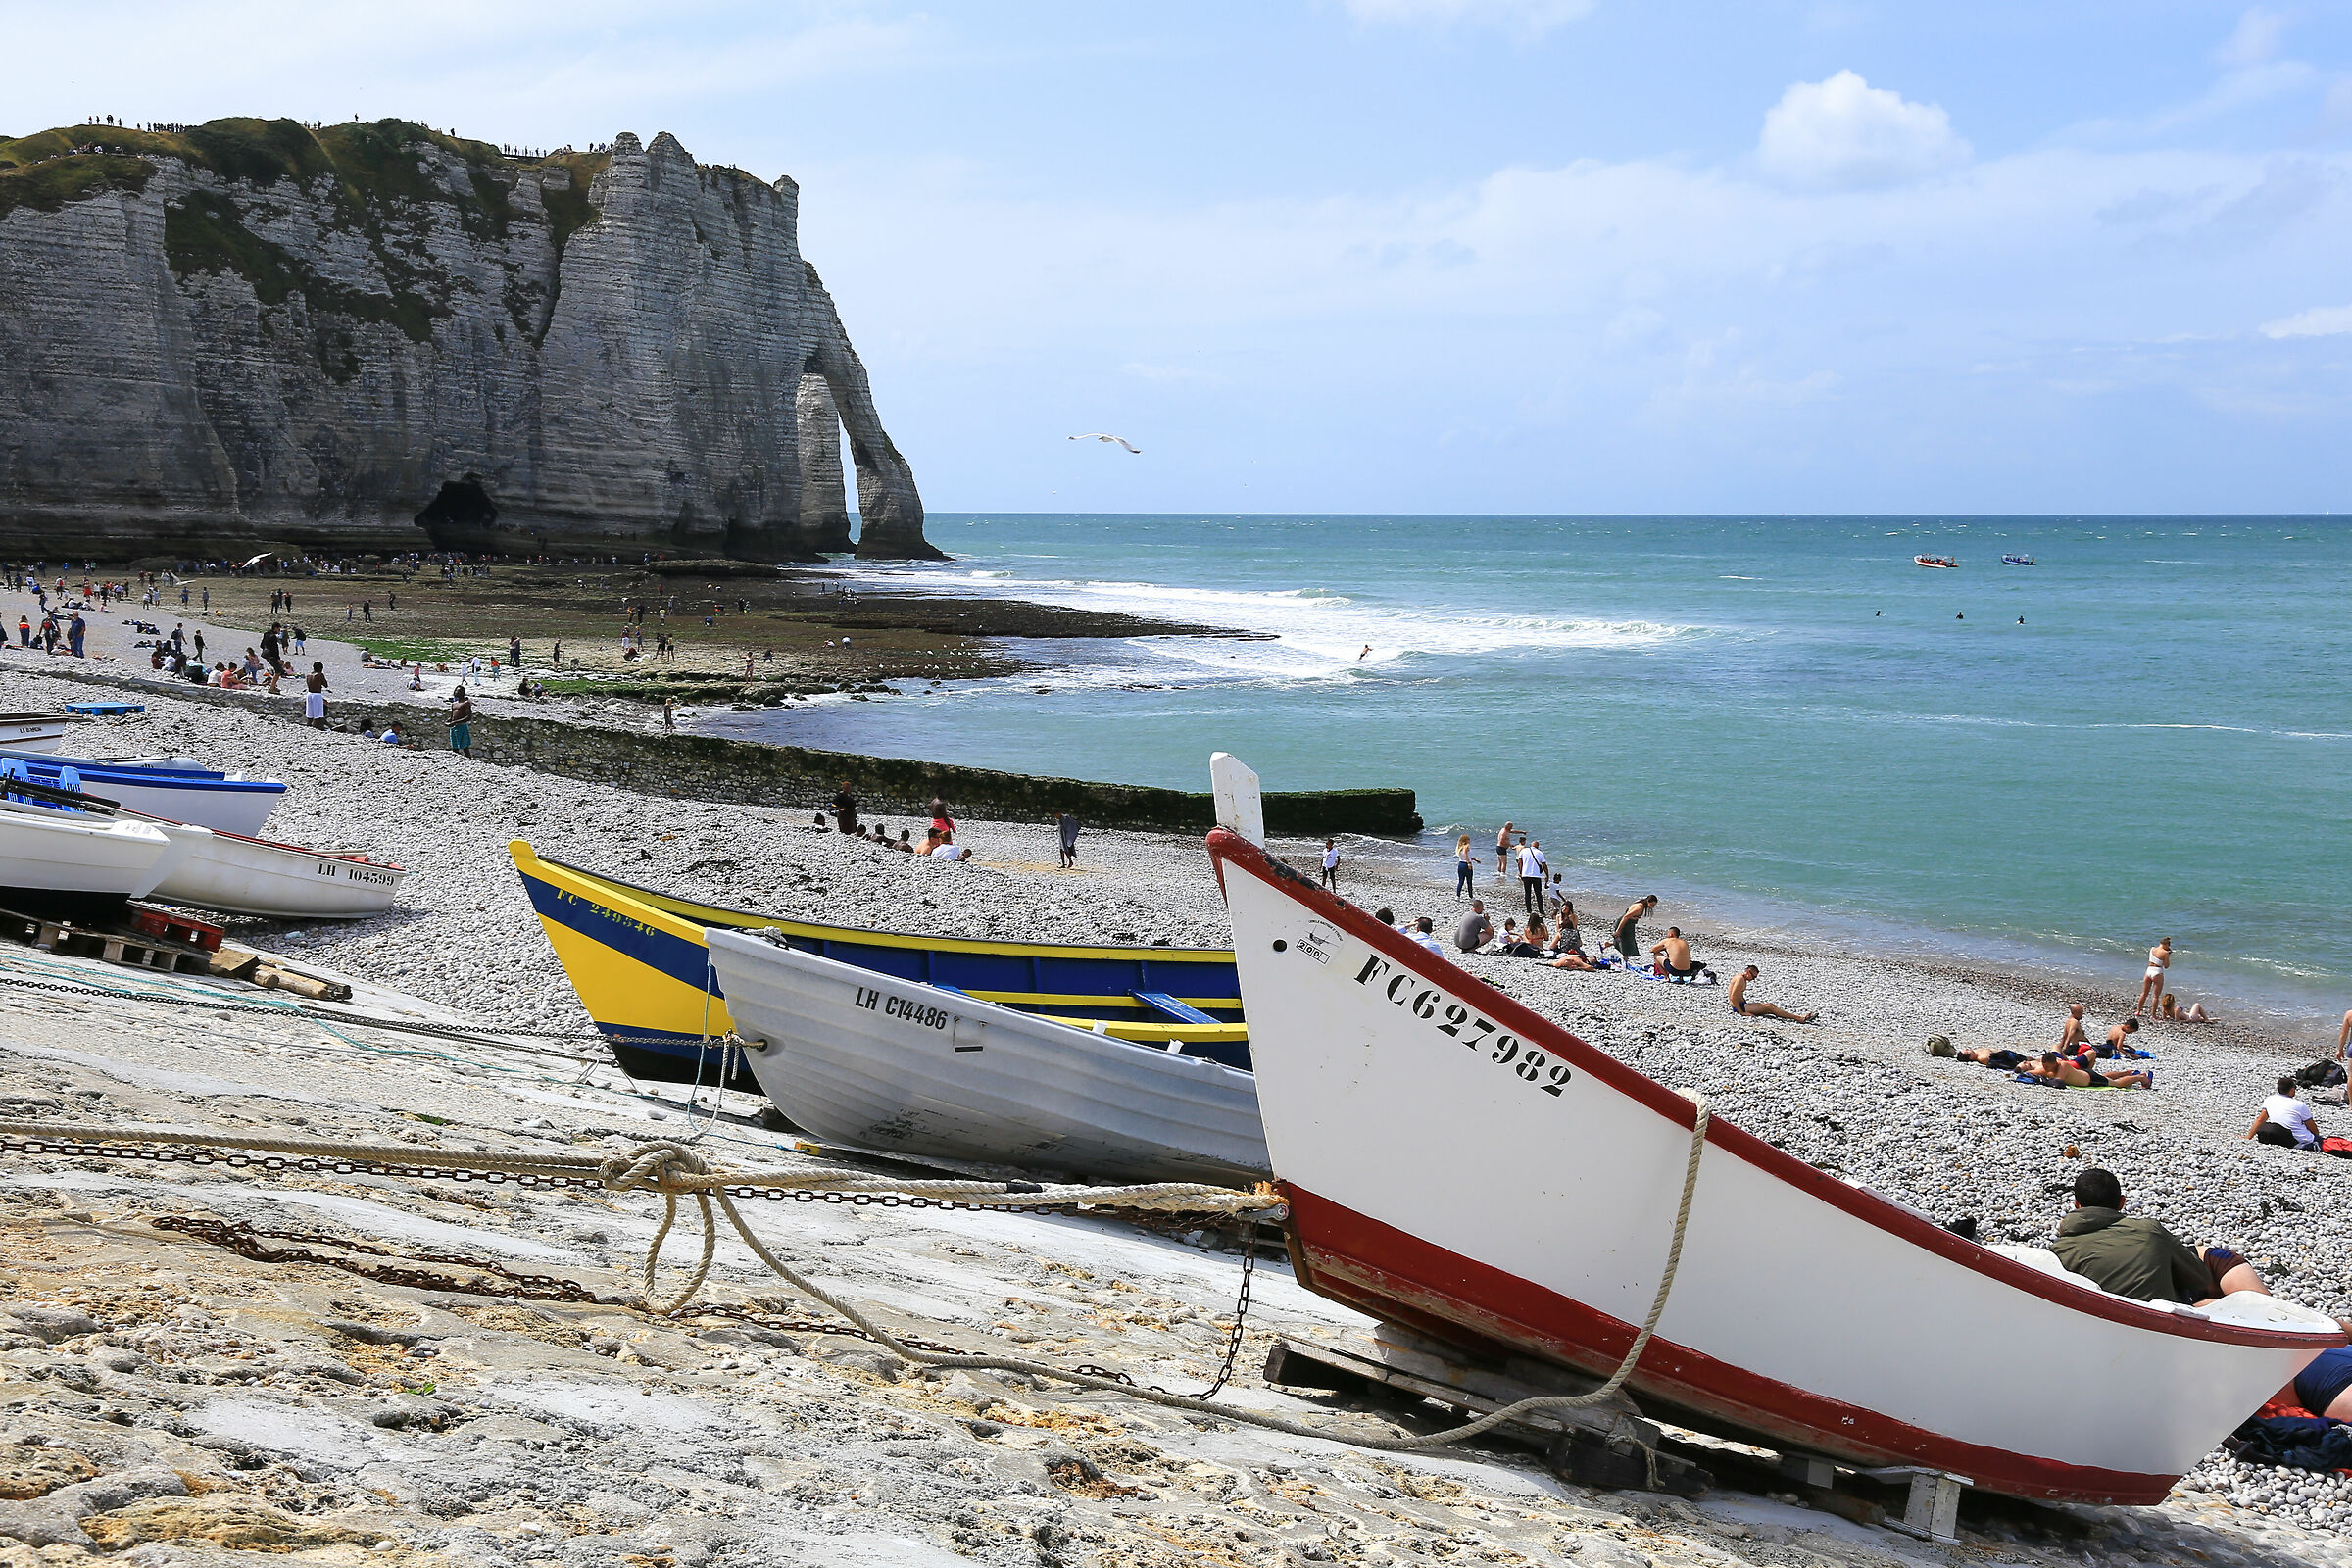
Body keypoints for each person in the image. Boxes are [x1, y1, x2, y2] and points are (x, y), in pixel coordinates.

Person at [2049, 1168, 2267, 1305]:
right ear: (2122, 1202)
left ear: (2077, 1205)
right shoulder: (2148, 1230)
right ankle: (2272, 1319)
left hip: (2114, 1321)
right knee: (2209, 1259)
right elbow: (2200, 1278)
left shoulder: (2059, 1253)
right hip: (2162, 1321)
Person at [2248, 1077, 2322, 1149]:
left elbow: (2260, 1120)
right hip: (2297, 1139)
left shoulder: (2270, 1100)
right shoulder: (2299, 1105)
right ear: (2292, 1089)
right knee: (2322, 1141)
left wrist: (2249, 1137)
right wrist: (2316, 1136)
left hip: (2278, 1135)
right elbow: (2311, 1126)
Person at [1728, 964, 1816, 1023]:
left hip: (1743, 1005)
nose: (1754, 979)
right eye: (1753, 976)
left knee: (1769, 1008)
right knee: (1770, 1007)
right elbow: (1733, 997)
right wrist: (1742, 1013)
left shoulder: (1742, 978)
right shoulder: (1740, 979)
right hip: (1740, 1007)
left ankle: (1797, 1017)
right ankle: (1799, 1018)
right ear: (1748, 972)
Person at [1613, 895, 1658, 962]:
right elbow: (1626, 917)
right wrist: (1618, 930)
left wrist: (1634, 917)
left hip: (1629, 924)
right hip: (1624, 924)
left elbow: (1628, 911)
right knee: (1627, 941)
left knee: (1624, 940)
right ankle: (1625, 959)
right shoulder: (1639, 908)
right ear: (1648, 901)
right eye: (1652, 904)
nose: (1653, 906)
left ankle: (1609, 945)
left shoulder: (1639, 902)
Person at [2136, 938, 2173, 1017]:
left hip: (2149, 970)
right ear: (2166, 945)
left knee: (2144, 993)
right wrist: (2168, 954)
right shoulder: (2165, 953)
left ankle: (2138, 1011)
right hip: (2157, 971)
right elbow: (2166, 966)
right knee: (2155, 996)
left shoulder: (2152, 949)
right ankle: (2153, 1015)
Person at [1517, 838, 1546, 915]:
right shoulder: (1539, 853)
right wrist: (1547, 875)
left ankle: (1528, 910)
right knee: (1538, 894)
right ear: (1537, 846)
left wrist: (1520, 873)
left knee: (1527, 893)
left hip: (1526, 875)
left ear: (1530, 845)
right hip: (1536, 876)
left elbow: (1519, 863)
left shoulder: (1523, 851)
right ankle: (1541, 911)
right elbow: (1544, 865)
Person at [447, 686, 474, 757]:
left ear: (462, 693)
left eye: (457, 691)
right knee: (454, 746)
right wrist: (448, 721)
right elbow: (452, 716)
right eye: (455, 690)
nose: (455, 692)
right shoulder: (454, 703)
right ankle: (456, 759)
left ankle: (469, 760)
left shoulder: (466, 703)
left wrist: (455, 722)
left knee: (465, 746)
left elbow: (468, 717)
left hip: (462, 726)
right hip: (454, 727)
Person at [302, 662, 328, 729]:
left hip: (309, 694)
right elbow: (326, 685)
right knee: (318, 714)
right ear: (320, 668)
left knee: (310, 713)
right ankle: (318, 727)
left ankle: (308, 725)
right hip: (317, 695)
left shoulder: (308, 675)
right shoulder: (320, 675)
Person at [1454, 834, 1475, 898]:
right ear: (1466, 840)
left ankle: (1458, 896)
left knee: (1461, 881)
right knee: (1469, 881)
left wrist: (1474, 859)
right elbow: (1465, 854)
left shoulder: (1460, 847)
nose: (1470, 840)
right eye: (1468, 839)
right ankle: (1470, 896)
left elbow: (1465, 856)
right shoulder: (1466, 846)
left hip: (1461, 864)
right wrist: (1469, 863)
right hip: (1466, 865)